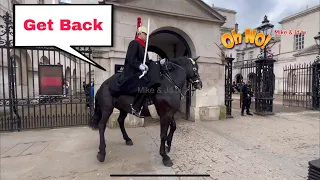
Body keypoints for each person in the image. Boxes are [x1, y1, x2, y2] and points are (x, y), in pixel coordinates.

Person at [109, 26, 166, 117]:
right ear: (139, 34)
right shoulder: (134, 43)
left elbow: (147, 62)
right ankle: (136, 107)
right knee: (145, 82)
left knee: (153, 80)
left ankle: (149, 103)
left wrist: (158, 63)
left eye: (146, 34)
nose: (146, 36)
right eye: (144, 34)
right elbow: (131, 59)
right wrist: (139, 65)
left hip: (141, 71)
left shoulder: (144, 46)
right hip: (133, 72)